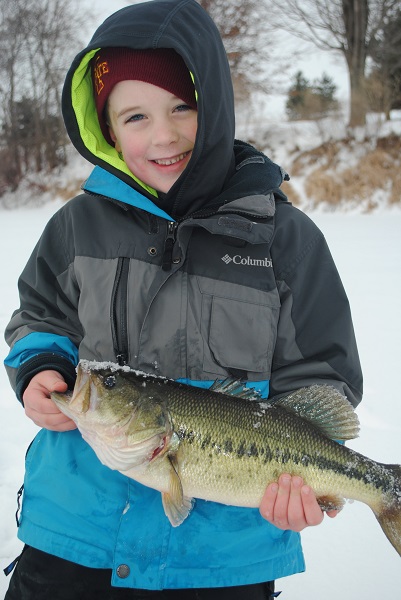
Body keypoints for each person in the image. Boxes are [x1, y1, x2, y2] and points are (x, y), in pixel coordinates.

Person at [3, 0, 363, 598]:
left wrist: (303, 485)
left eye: (182, 107)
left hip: (225, 559)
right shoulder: (75, 227)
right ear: (107, 129)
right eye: (135, 116)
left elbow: (322, 379)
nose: (163, 135)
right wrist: (40, 368)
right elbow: (39, 315)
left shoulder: (287, 241)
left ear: (216, 109)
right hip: (72, 535)